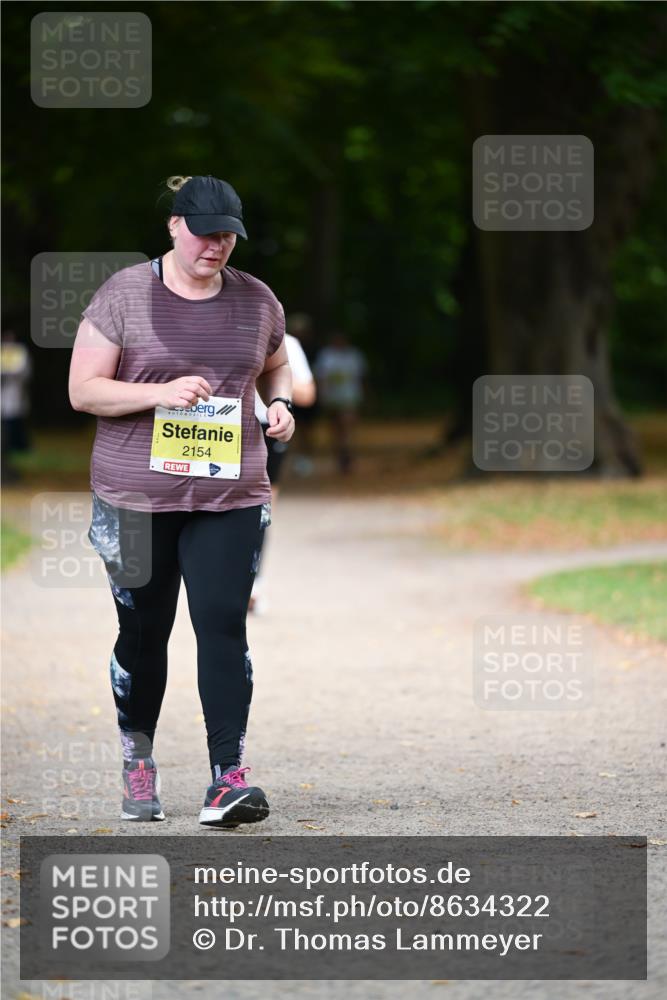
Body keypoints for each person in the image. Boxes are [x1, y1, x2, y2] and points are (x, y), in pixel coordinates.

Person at [68, 174, 295, 827]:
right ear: (174, 225)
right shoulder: (124, 295)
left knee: (222, 624)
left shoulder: (256, 299)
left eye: (227, 235)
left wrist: (278, 404)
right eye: (203, 233)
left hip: (231, 492)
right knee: (145, 632)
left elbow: (275, 364)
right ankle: (138, 762)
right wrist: (157, 394)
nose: (215, 246)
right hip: (135, 495)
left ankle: (227, 779)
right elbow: (83, 390)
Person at [250, 327, 316, 613]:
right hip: (220, 426)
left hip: (268, 428)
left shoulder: (286, 342)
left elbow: (308, 394)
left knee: (261, 510)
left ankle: (254, 585)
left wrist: (266, 375)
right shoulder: (214, 329)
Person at [314, 332, 367, 474]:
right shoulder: (326, 356)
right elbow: (321, 378)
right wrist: (322, 395)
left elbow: (361, 377)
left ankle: (347, 453)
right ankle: (341, 454)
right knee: (336, 428)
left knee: (347, 425)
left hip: (350, 398)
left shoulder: (354, 355)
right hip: (332, 399)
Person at [1, 329, 32, 481]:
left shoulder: (20, 353)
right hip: (4, 399)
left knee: (12, 428)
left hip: (14, 398)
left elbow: (23, 372)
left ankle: (14, 449)